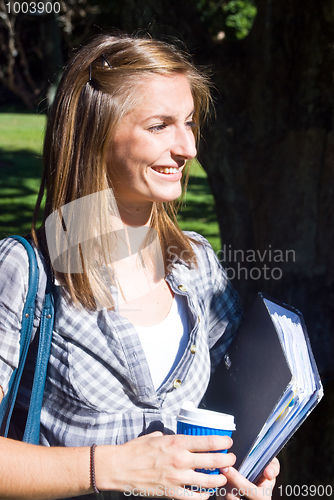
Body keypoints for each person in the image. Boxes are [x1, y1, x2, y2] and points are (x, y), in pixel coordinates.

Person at [0, 33, 279, 499]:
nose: (188, 147)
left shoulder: (196, 265)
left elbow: (231, 414)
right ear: (96, 133)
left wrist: (242, 472)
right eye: (160, 126)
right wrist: (108, 468)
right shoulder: (27, 272)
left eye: (189, 123)